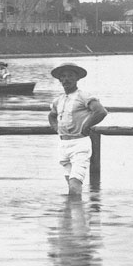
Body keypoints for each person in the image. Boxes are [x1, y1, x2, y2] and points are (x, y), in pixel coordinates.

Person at [48, 63, 107, 195]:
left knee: (75, 183)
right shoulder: (59, 100)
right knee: (70, 184)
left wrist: (86, 125)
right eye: (63, 76)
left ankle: (78, 212)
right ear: (60, 80)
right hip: (64, 145)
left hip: (80, 144)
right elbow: (52, 116)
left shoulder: (83, 96)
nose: (66, 79)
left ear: (77, 79)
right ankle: (71, 213)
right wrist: (57, 128)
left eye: (70, 76)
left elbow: (100, 111)